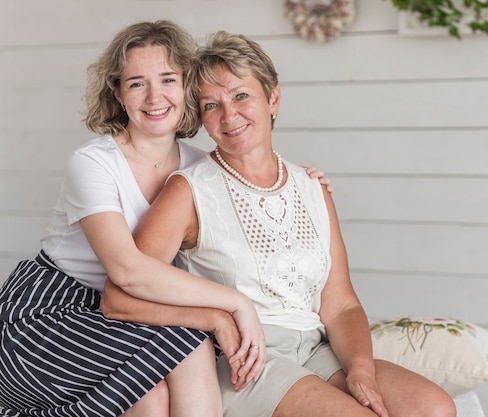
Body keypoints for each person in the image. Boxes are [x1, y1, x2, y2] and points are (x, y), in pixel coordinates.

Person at [100, 30, 457, 417]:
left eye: (241, 96)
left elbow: (339, 305)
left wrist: (360, 370)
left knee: (435, 408)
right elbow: (119, 297)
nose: (229, 115)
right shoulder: (188, 191)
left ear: (273, 98)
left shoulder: (312, 186)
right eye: (210, 105)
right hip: (247, 362)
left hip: (315, 348)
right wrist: (215, 320)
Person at [0, 21, 330, 417]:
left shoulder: (200, 168)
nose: (154, 96)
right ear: (118, 94)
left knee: (156, 391)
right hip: (53, 313)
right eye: (137, 83)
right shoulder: (92, 163)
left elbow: (256, 184)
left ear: (188, 88)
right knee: (188, 347)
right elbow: (127, 271)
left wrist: (307, 180)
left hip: (137, 311)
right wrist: (233, 306)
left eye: (168, 79)